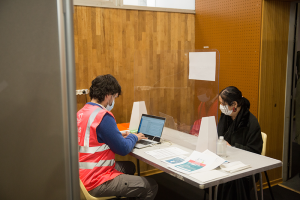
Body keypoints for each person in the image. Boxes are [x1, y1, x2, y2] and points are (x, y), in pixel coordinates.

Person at [77, 74, 158, 200]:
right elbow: (123, 149)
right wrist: (133, 137)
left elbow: (91, 137)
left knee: (129, 167)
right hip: (96, 180)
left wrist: (117, 135)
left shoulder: (82, 112)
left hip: (80, 177)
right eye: (114, 97)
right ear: (108, 95)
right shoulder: (103, 116)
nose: (113, 101)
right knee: (150, 185)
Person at [217, 86, 263, 200]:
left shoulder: (250, 122)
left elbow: (254, 152)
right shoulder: (225, 116)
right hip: (225, 159)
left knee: (231, 181)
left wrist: (232, 147)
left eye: (223, 104)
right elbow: (219, 136)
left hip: (245, 165)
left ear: (234, 105)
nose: (221, 107)